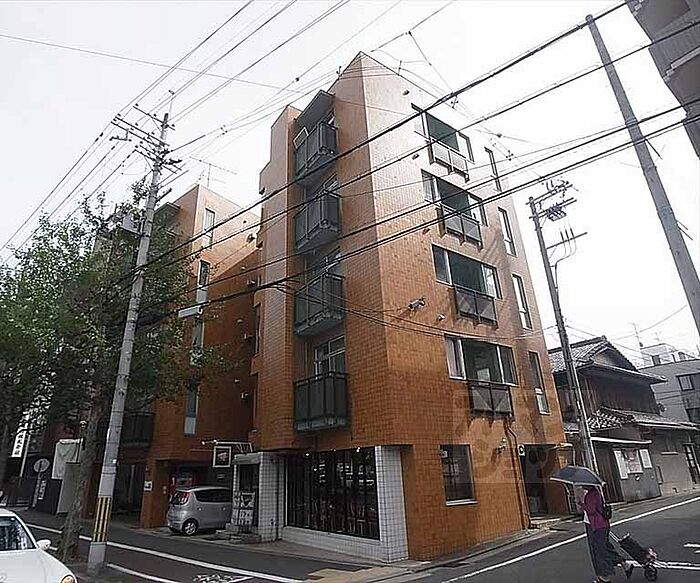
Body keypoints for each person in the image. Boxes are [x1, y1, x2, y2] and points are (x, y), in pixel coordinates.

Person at [578, 485, 633, 582]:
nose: (582, 486)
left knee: (599, 552)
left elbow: (591, 510)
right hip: (599, 525)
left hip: (596, 526)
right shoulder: (596, 492)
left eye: (583, 485)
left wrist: (581, 503)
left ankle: (605, 577)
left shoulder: (592, 494)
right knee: (606, 548)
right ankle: (624, 564)